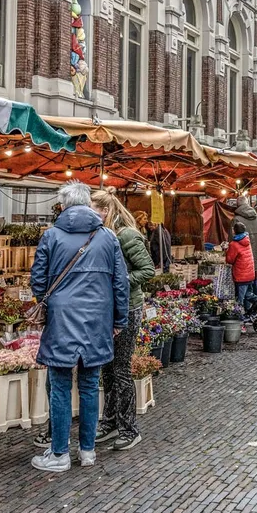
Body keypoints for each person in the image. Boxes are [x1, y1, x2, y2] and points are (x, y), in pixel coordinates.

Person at [29, 181, 129, 472]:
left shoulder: (51, 236)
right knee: (89, 384)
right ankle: (87, 451)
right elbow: (120, 284)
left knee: (59, 386)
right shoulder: (108, 237)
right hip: (98, 320)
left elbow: (38, 280)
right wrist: (119, 320)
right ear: (87, 204)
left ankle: (59, 453)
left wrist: (50, 303)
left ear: (62, 205)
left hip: (61, 319)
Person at [91, 190, 155, 452]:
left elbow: (147, 269)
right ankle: (110, 421)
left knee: (121, 369)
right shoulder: (103, 234)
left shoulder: (127, 235)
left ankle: (129, 428)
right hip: (109, 309)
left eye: (93, 209)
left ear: (105, 211)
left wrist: (121, 282)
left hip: (128, 308)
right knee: (107, 369)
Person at [224, 223, 257, 310]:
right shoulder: (247, 240)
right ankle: (249, 313)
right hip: (250, 274)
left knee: (240, 298)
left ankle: (240, 315)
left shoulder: (234, 244)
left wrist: (226, 250)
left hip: (241, 275)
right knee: (248, 296)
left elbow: (230, 260)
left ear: (234, 231)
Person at [229, 197, 257, 266]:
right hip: (256, 257)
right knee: (254, 275)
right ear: (248, 203)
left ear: (237, 205)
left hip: (241, 260)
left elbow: (231, 240)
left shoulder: (236, 220)